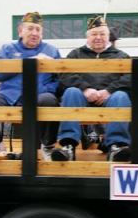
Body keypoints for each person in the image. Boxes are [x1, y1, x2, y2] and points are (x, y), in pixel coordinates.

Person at [0, 12, 60, 160]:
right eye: (30, 29)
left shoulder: (51, 50)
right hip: (9, 96)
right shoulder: (7, 49)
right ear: (20, 30)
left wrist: (48, 90)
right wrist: (28, 62)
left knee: (49, 100)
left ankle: (47, 146)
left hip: (39, 95)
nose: (34, 33)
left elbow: (59, 78)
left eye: (38, 29)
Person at [51, 15, 131, 161]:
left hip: (110, 98)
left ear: (108, 36)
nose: (98, 37)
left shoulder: (121, 56)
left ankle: (116, 146)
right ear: (87, 37)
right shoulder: (75, 54)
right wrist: (85, 89)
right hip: (82, 97)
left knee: (121, 96)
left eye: (102, 34)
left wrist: (109, 91)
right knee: (71, 92)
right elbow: (64, 75)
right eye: (94, 34)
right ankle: (68, 146)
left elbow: (130, 78)